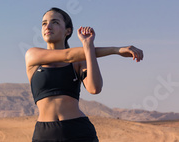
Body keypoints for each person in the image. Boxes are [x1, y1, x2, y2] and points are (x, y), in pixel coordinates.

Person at [24, 7, 144, 142]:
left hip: (78, 131)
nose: (48, 26)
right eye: (44, 23)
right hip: (44, 134)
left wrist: (88, 46)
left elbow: (95, 88)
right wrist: (115, 50)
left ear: (68, 31)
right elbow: (68, 55)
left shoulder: (79, 61)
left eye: (55, 22)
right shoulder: (32, 55)